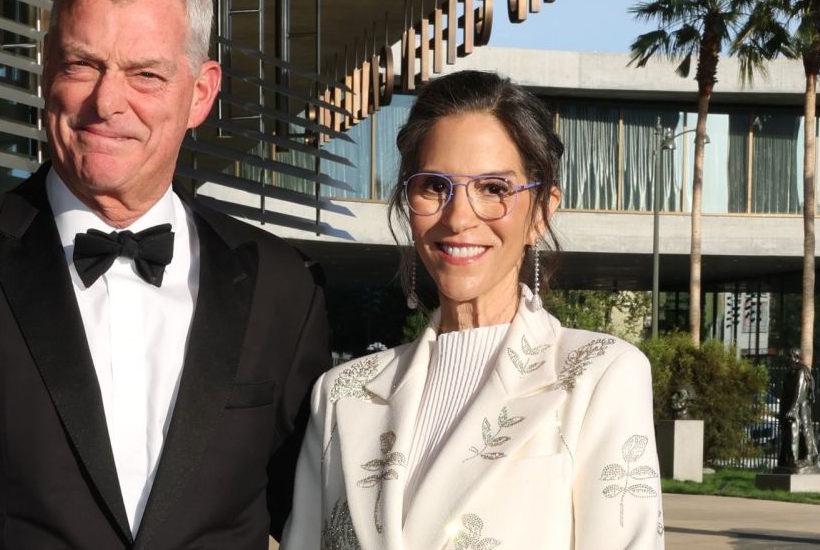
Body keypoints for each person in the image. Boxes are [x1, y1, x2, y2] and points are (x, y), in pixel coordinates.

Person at [0, 0, 331, 549]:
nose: (107, 102)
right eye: (83, 64)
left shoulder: (283, 286)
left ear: (201, 94)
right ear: (47, 67)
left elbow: (312, 516)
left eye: (146, 75)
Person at [282, 71, 664, 549]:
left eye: (493, 189)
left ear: (541, 212)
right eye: (433, 187)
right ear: (408, 203)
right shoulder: (341, 395)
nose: (459, 217)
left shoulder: (598, 376)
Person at [777, 348, 819, 470]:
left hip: (801, 406)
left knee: (805, 429)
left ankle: (809, 456)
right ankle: (788, 458)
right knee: (790, 430)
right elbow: (785, 394)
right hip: (792, 406)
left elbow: (799, 392)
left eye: (789, 356)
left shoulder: (801, 372)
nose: (787, 358)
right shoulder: (789, 373)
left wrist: (793, 408)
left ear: (796, 357)